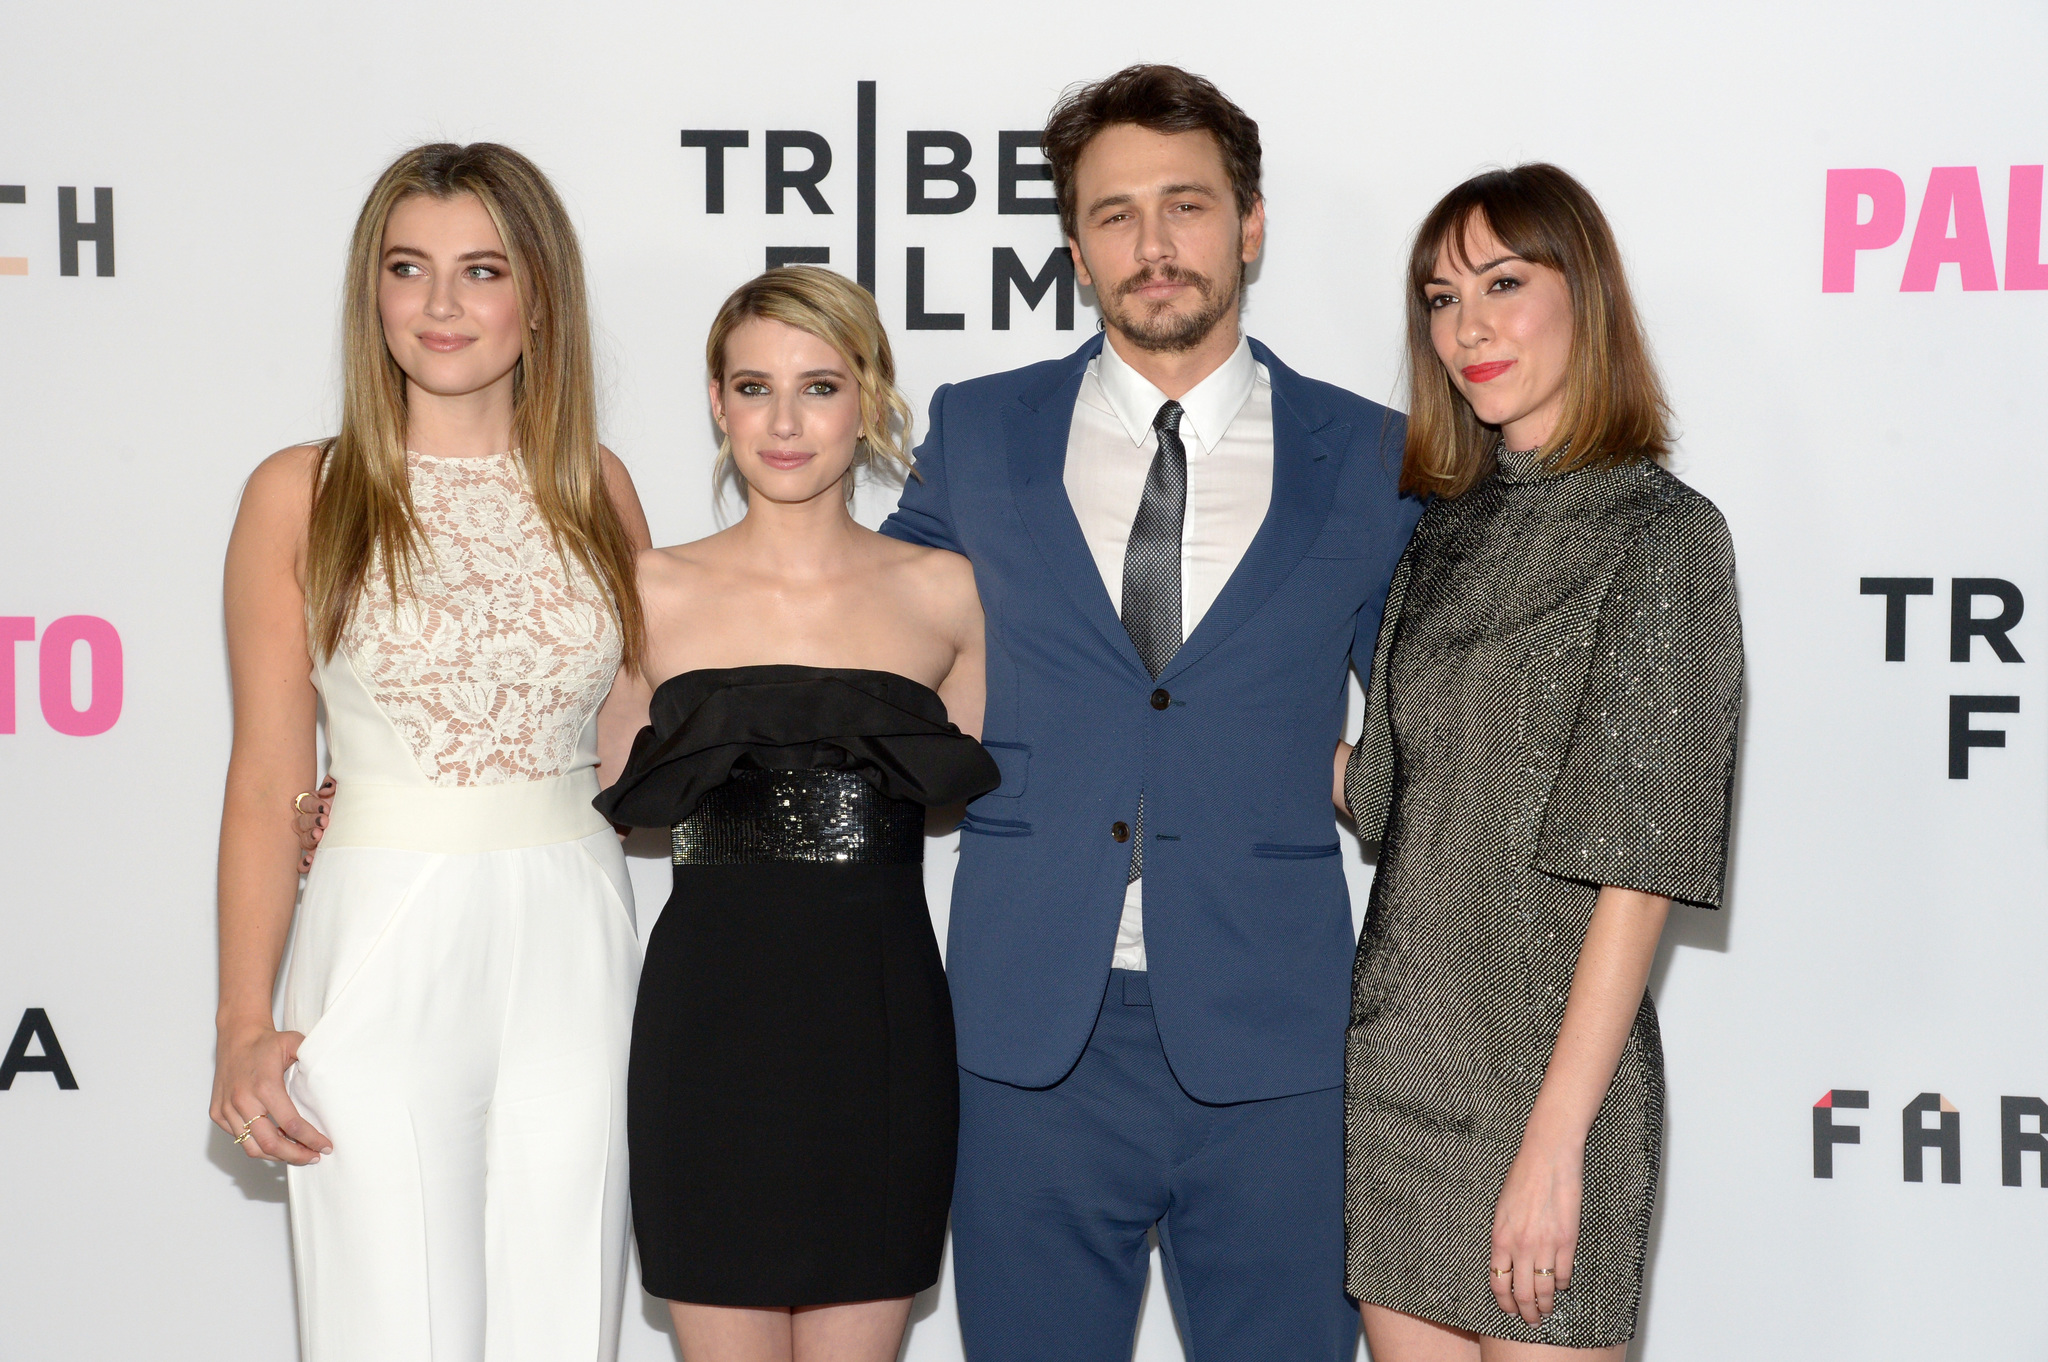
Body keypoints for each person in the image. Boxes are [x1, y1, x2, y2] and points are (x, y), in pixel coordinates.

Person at [880, 66, 1421, 1360]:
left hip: (1278, 1038)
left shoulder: (1378, 458)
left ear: (1251, 223)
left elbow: (1432, 730)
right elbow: (865, 636)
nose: (1154, 244)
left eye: (1186, 204)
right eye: (1115, 214)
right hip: (1028, 1034)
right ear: (1075, 247)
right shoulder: (981, 430)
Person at [210, 142, 652, 1360]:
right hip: (383, 925)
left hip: (575, 934)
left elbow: (638, 749)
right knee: (387, 1327)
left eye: (481, 270)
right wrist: (241, 1023)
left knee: (566, 1320)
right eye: (408, 269)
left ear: (539, 296)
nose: (441, 306)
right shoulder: (302, 492)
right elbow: (263, 779)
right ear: (373, 293)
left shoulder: (598, 490)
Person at [1338, 164, 1744, 1359]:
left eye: (1504, 283)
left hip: (1550, 1088)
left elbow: (1640, 867)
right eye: (1439, 296)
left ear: (1587, 296)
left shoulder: (1662, 537)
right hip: (1398, 1071)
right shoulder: (1444, 531)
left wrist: (1554, 1141)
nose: (1467, 325)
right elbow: (1383, 795)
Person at [594, 266, 997, 1362]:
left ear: (867, 400)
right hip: (705, 1039)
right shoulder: (645, 592)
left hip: (877, 1038)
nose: (783, 421)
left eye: (818, 386)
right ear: (716, 404)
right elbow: (576, 785)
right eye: (753, 386)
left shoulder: (943, 593)